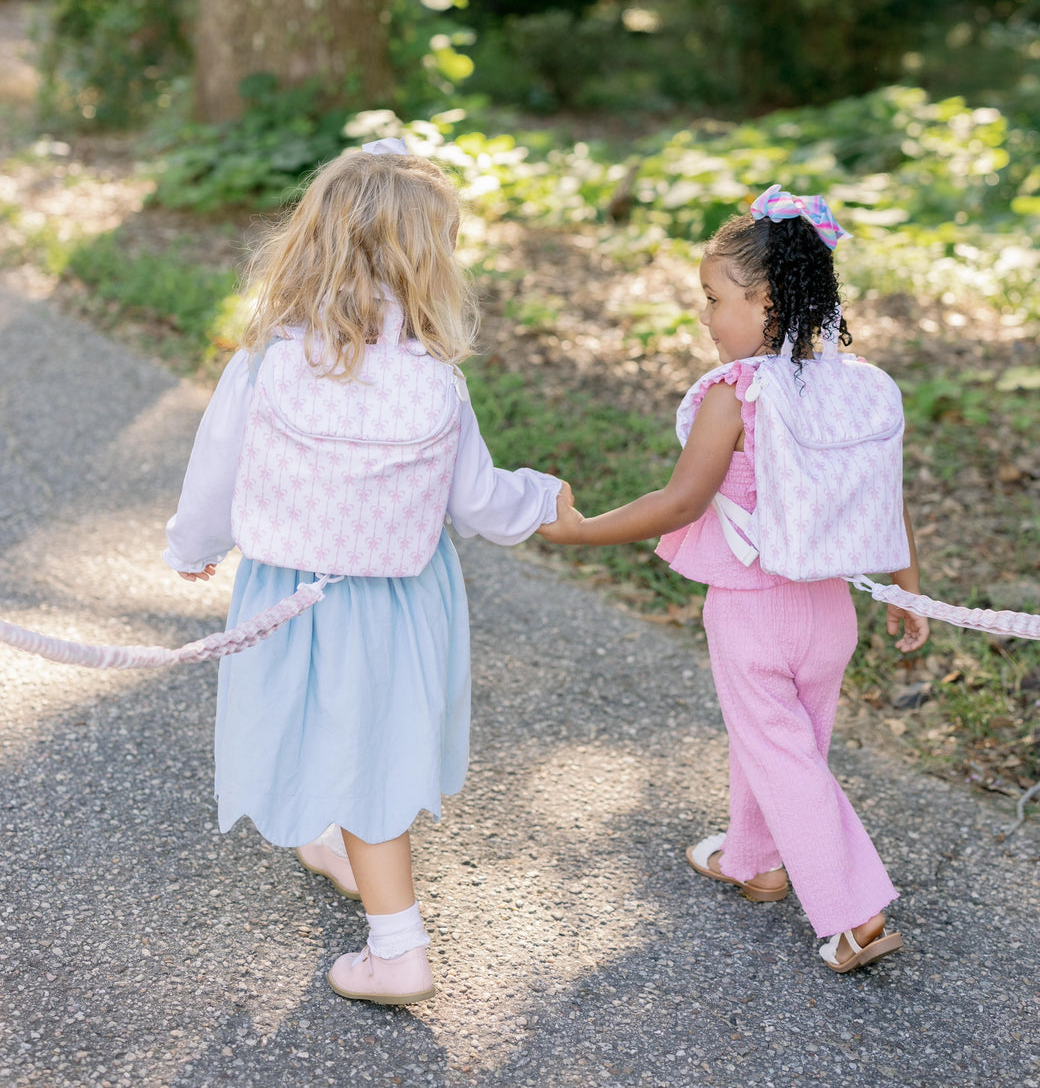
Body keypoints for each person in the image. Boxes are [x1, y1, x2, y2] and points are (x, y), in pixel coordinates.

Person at [164, 140, 566, 1005]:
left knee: (321, 728)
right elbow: (482, 504)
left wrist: (193, 546)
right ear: (432, 262)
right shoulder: (436, 384)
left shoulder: (269, 362)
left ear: (311, 243)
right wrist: (544, 500)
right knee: (364, 734)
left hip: (290, 596)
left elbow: (216, 473)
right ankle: (334, 841)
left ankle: (399, 949)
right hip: (400, 603)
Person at [541, 187, 928, 973]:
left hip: (754, 614)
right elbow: (886, 497)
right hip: (832, 613)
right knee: (791, 745)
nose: (706, 319)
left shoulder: (737, 395)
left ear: (770, 302)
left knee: (784, 756)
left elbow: (680, 500)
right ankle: (756, 862)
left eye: (714, 300)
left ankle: (856, 912)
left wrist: (583, 529)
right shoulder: (851, 385)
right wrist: (909, 587)